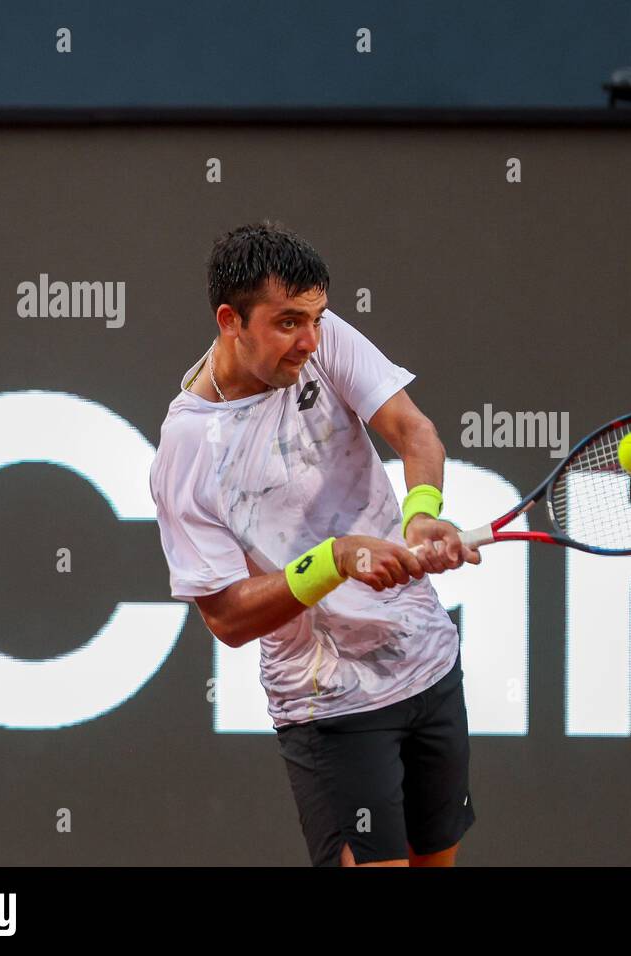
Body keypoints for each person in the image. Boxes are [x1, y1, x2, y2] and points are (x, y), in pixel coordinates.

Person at [149, 221, 480, 866]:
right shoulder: (187, 451)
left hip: (428, 664)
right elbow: (226, 616)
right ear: (230, 320)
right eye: (287, 323)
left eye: (317, 318)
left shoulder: (323, 345)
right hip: (330, 704)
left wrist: (420, 513)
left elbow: (414, 432)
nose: (308, 340)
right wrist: (334, 560)